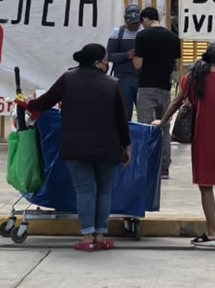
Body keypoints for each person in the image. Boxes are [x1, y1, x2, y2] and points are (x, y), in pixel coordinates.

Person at [20, 43, 131, 252]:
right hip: (108, 147)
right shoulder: (112, 84)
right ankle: (100, 236)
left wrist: (26, 103)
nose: (107, 63)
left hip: (76, 147)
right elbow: (121, 120)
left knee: (85, 190)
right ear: (97, 63)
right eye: (105, 60)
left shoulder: (68, 79)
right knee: (104, 191)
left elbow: (44, 103)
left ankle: (87, 237)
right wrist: (126, 146)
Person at [156, 39, 215, 248]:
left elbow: (176, 102)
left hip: (203, 139)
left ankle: (212, 232)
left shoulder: (193, 78)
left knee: (206, 185)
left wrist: (161, 122)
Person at [133, 6, 180, 179]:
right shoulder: (173, 38)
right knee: (164, 128)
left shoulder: (142, 36)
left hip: (146, 86)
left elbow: (138, 64)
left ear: (145, 19)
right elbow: (176, 66)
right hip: (165, 87)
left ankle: (145, 165)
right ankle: (164, 167)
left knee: (144, 128)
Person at [107, 4, 143, 121]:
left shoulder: (145, 32)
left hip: (142, 78)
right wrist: (125, 56)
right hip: (123, 78)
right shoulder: (118, 32)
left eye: (136, 23)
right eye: (131, 23)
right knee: (124, 113)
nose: (134, 26)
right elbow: (109, 56)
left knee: (143, 115)